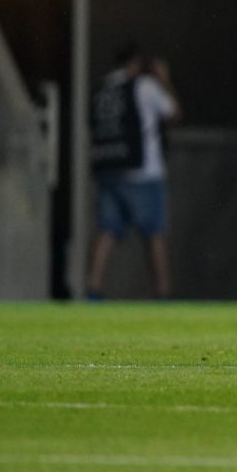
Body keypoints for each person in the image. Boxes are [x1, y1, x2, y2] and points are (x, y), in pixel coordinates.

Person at [87, 44, 180, 299]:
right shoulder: (143, 86)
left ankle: (93, 290)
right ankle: (162, 293)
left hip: (109, 168)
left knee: (106, 230)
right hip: (143, 172)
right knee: (154, 232)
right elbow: (172, 112)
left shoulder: (103, 89)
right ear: (136, 65)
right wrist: (164, 80)